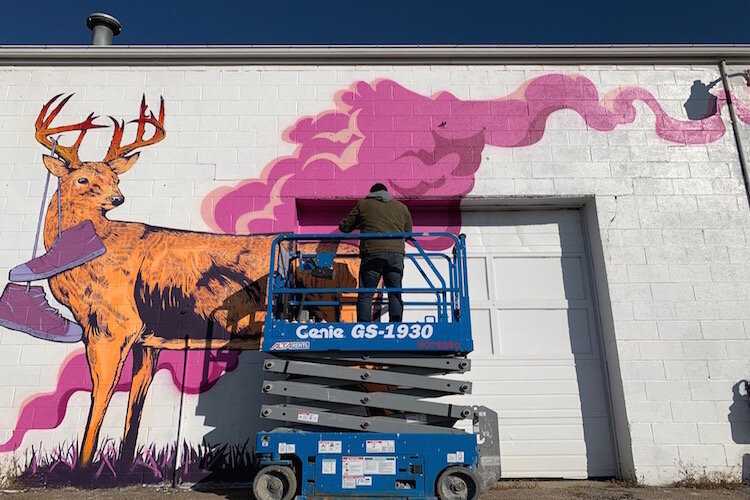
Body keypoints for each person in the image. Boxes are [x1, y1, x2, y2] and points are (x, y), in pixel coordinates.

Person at [339, 183, 413, 322]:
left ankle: (364, 326)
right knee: (394, 292)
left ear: (371, 193)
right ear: (386, 192)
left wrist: (362, 223)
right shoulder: (401, 207)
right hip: (395, 255)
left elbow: (345, 227)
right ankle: (396, 326)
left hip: (372, 254)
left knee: (366, 293)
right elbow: (408, 232)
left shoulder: (363, 205)